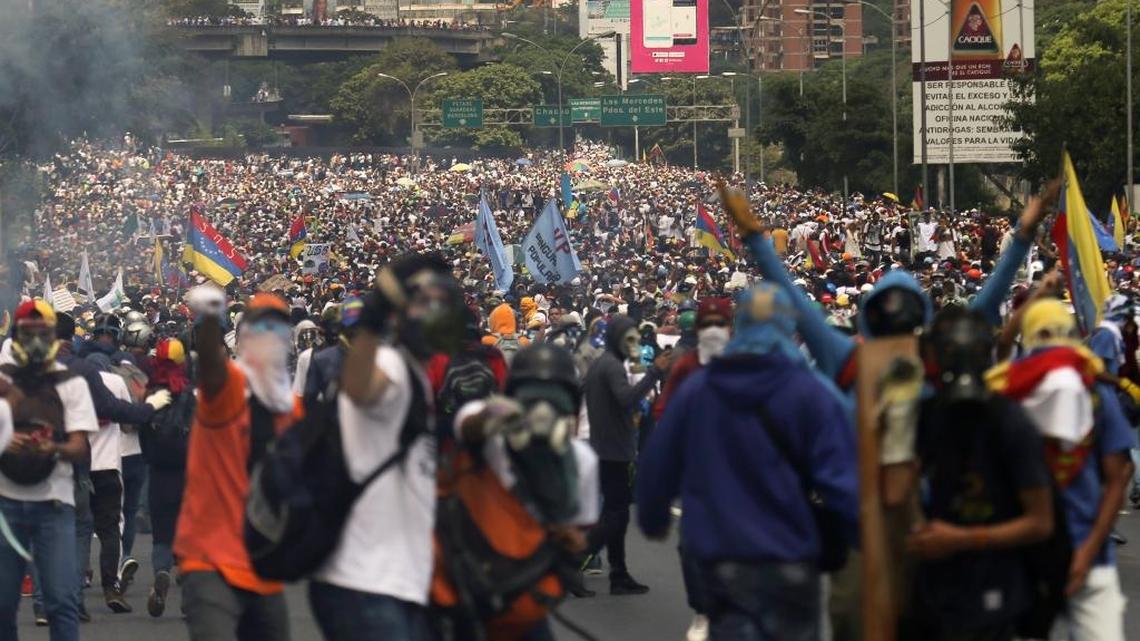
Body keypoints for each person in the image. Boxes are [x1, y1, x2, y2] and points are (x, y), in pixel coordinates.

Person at [637, 283, 858, 641]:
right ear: (789, 329)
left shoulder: (700, 387)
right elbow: (843, 480)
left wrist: (653, 517)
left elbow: (657, 464)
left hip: (720, 556)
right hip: (790, 556)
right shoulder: (810, 392)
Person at [310, 254, 465, 641]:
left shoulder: (413, 373)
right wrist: (372, 317)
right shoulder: (392, 367)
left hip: (395, 581)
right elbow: (360, 387)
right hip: (367, 584)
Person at [903, 307, 1054, 641]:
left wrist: (963, 539)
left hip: (994, 594)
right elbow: (899, 489)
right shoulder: (928, 416)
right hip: (936, 592)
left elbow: (1040, 522)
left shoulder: (1009, 422)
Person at [987, 298, 1134, 641]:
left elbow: (1002, 348)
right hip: (1069, 556)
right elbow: (1118, 477)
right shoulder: (1088, 388)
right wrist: (1088, 551)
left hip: (1024, 556)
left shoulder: (1007, 391)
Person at [439, 343, 600, 641]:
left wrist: (567, 539)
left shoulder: (582, 461)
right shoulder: (492, 444)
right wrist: (500, 416)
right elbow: (467, 422)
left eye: (554, 398)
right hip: (467, 584)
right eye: (532, 396)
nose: (542, 410)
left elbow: (578, 536)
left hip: (523, 594)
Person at [174, 288, 299, 641]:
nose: (269, 339)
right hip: (211, 559)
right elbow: (212, 371)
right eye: (261, 328)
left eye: (277, 329)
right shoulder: (231, 387)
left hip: (263, 565)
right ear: (243, 336)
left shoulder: (291, 408)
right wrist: (210, 319)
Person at [0, 300, 97, 641]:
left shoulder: (71, 384)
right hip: (5, 504)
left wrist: (51, 448)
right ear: (16, 338)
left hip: (54, 504)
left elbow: (80, 446)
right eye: (29, 334)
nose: (36, 340)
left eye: (43, 333)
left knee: (61, 601)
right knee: (2, 605)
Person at [582, 314, 672, 595]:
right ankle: (572, 561)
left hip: (609, 446)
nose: (633, 343)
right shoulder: (611, 367)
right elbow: (627, 399)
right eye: (629, 338)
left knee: (616, 515)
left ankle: (618, 574)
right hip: (612, 449)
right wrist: (655, 373)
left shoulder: (604, 363)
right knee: (615, 515)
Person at [138, 337, 192, 618]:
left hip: (159, 472)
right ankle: (190, 592)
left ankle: (161, 572)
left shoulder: (151, 394)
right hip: (189, 472)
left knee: (162, 533)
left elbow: (143, 432)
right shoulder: (192, 393)